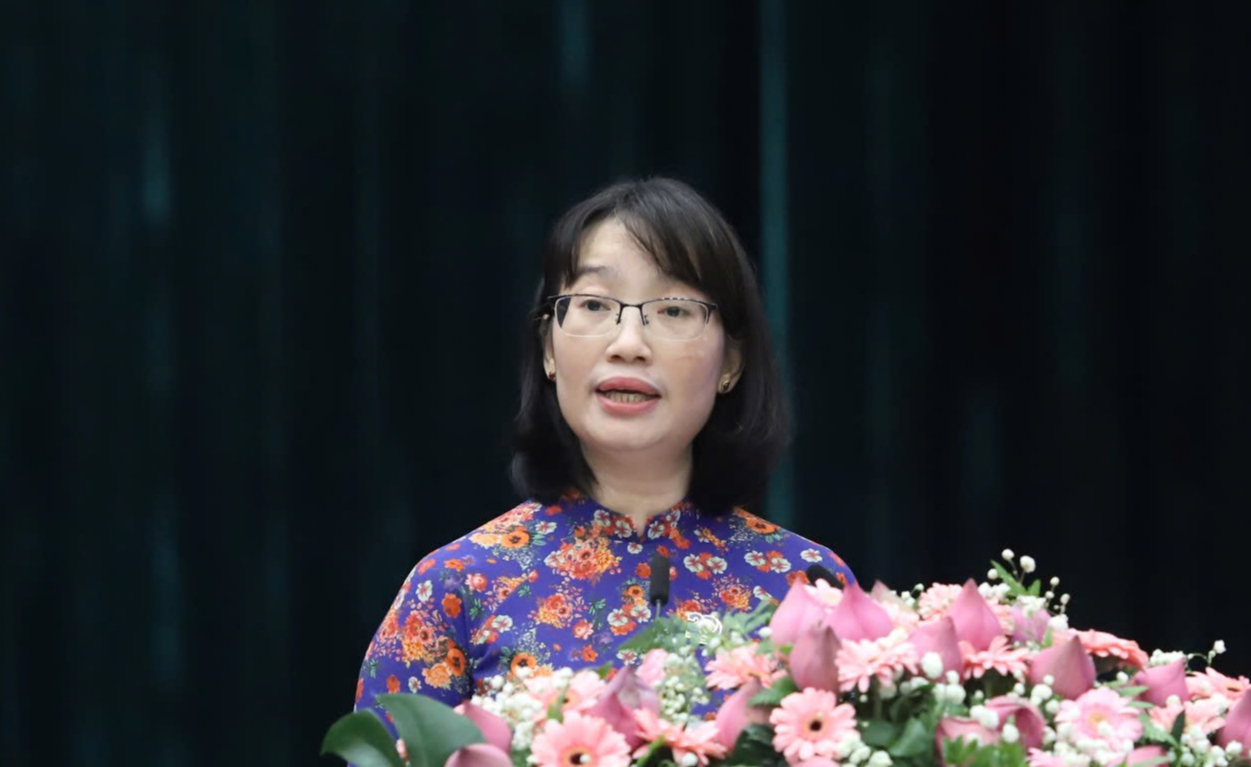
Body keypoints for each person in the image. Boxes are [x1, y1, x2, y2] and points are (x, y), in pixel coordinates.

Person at [352, 177, 854, 724]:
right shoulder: (456, 590)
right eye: (594, 304)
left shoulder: (809, 588)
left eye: (674, 310)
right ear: (548, 348)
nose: (629, 345)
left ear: (731, 362)